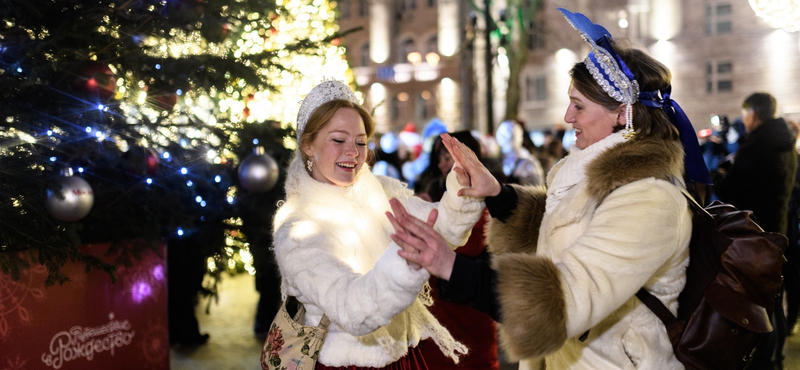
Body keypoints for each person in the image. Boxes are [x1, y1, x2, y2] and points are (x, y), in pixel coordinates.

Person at [385, 8, 713, 369]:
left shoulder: (651, 197)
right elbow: (564, 227)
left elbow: (567, 296)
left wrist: (451, 266)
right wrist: (498, 195)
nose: (568, 117)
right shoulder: (592, 174)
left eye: (578, 106)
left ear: (623, 113)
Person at [271, 80, 485, 369]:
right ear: (308, 145)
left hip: (402, 355)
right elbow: (351, 308)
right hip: (347, 365)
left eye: (361, 142)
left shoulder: (381, 192)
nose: (354, 152)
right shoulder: (299, 229)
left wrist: (463, 187)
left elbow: (441, 229)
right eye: (338, 140)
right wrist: (406, 258)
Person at [711, 92, 798, 369]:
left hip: (754, 238)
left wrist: (719, 177)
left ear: (752, 115)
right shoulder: (785, 145)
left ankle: (763, 361)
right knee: (773, 301)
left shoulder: (756, 148)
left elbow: (733, 194)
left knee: (757, 305)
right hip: (777, 234)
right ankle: (776, 358)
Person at [413, 130, 500, 370]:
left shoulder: (489, 195)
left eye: (448, 157)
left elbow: (474, 244)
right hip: (437, 304)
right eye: (440, 158)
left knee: (472, 357)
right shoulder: (430, 191)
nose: (443, 164)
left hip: (471, 300)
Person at [495, 120, 545, 186]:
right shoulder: (499, 160)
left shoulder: (529, 162)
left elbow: (538, 187)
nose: (508, 137)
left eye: (510, 134)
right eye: (504, 135)